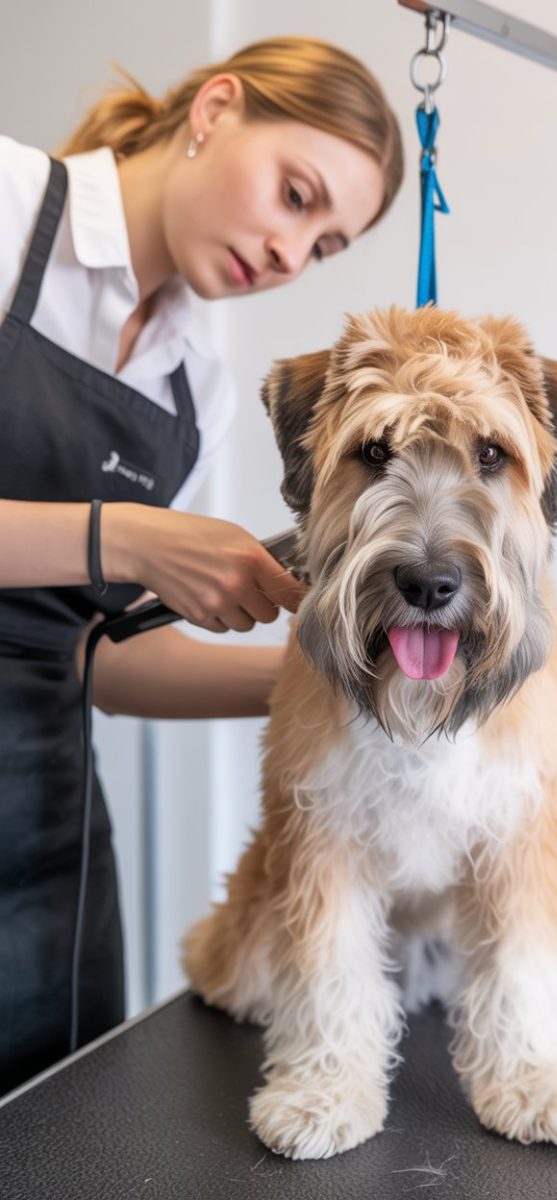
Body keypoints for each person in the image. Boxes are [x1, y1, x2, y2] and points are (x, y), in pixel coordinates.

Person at [0, 36, 404, 1093]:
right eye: (294, 195)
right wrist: (123, 537)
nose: (288, 251)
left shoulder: (198, 389)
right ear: (216, 108)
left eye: (321, 246)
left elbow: (99, 657)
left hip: (41, 826)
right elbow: (108, 558)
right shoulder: (4, 206)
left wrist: (341, 690)